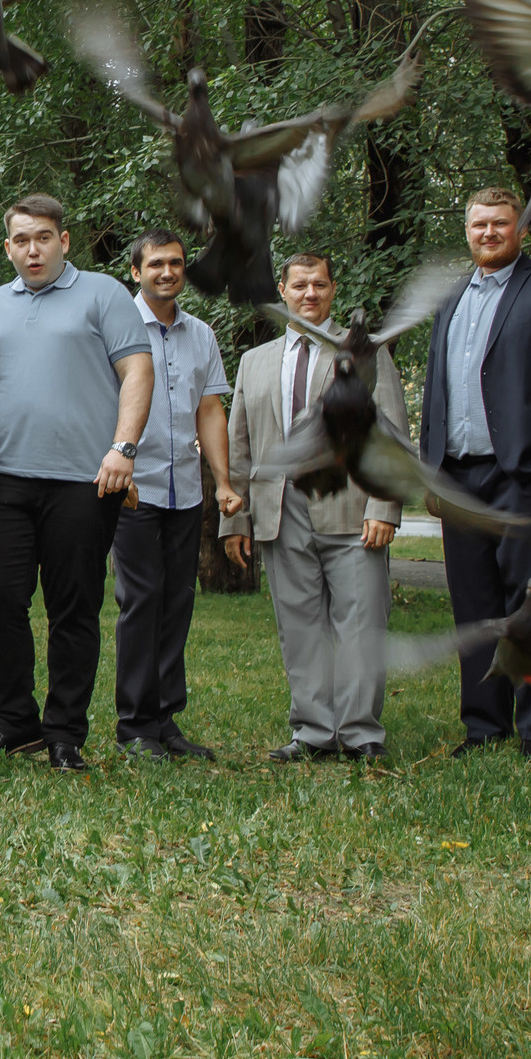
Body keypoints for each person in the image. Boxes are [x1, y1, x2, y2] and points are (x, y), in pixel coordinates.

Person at [418, 187, 531, 758]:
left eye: (500, 224)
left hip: (527, 475)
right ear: (467, 230)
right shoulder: (451, 298)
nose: (489, 233)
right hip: (459, 478)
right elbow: (436, 389)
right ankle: (483, 727)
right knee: (473, 609)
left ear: (521, 229)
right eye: (479, 225)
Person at [0, 195, 153, 771]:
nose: (33, 249)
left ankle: (66, 731)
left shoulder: (104, 294)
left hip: (83, 481)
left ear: (64, 241)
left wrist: (123, 448)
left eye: (43, 237)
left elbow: (137, 371)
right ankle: (17, 723)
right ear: (8, 247)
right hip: (1, 481)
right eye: (21, 240)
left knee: (74, 607)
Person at [222, 251, 402, 761]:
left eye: (319, 284)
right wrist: (235, 517)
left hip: (351, 510)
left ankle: (361, 732)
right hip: (279, 510)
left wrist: (383, 508)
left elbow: (391, 433)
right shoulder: (254, 362)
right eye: (299, 285)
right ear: (283, 290)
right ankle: (313, 732)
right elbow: (241, 447)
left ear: (333, 288)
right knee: (299, 627)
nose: (309, 294)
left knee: (360, 624)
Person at [114, 229, 232, 759]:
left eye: (177, 263)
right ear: (135, 271)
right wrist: (120, 467)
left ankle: (165, 721)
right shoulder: (115, 328)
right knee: (140, 602)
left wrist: (224, 481)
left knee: (177, 602)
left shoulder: (201, 335)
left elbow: (210, 409)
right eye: (156, 264)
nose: (168, 272)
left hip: (185, 487)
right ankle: (135, 725)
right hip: (132, 489)